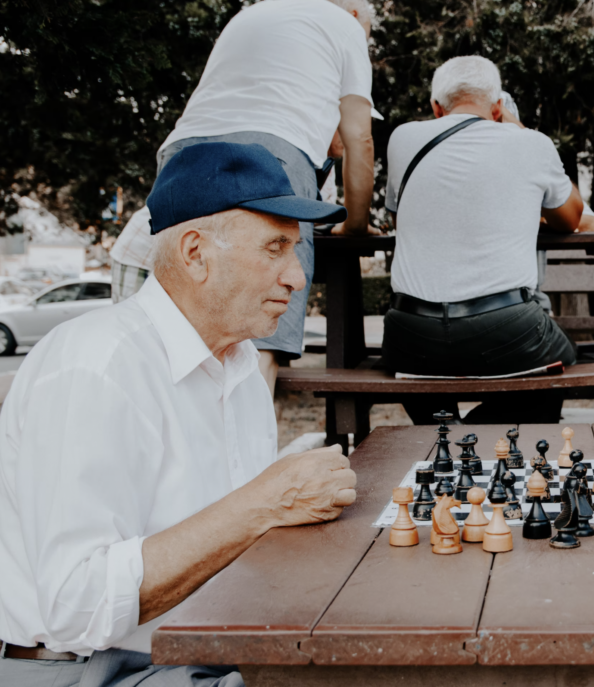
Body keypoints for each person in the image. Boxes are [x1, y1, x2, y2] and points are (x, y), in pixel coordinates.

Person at [0, 142, 358, 686]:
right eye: (275, 248)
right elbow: (76, 606)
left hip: (200, 653)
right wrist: (264, 504)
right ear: (195, 253)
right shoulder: (97, 367)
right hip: (85, 670)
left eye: (295, 250)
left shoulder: (238, 367)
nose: (296, 276)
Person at [108, 0, 377, 396]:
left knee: (181, 322)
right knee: (264, 317)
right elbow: (359, 136)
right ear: (357, 18)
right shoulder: (346, 25)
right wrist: (355, 226)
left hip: (183, 151)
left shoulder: (254, 14)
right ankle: (251, 455)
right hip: (272, 152)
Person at [381, 55, 585, 424]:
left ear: (435, 108)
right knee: (562, 361)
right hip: (506, 328)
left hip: (409, 334)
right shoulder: (530, 143)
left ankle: (440, 429)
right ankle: (472, 435)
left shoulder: (402, 138)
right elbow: (570, 218)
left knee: (412, 361)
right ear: (497, 107)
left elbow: (400, 215)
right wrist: (519, 128)